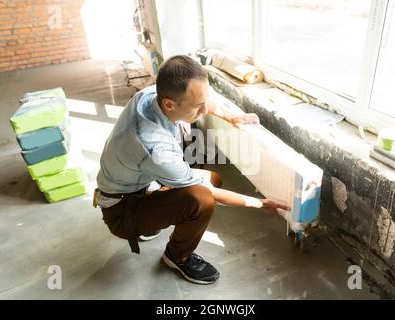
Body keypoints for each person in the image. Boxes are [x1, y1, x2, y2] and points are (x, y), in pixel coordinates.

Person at [94, 55, 290, 285]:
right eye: (198, 106)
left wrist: (230, 116)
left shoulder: (150, 95)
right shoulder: (153, 146)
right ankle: (177, 256)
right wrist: (260, 203)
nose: (205, 109)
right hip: (122, 208)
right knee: (202, 200)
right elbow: (206, 192)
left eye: (204, 101)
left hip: (142, 183)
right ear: (169, 104)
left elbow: (204, 104)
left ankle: (151, 220)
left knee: (214, 179)